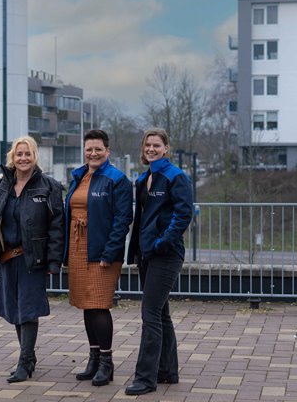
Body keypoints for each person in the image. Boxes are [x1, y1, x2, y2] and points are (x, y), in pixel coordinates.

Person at [0, 136, 65, 383]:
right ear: (12, 157)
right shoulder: (0, 186)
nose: (23, 158)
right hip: (7, 259)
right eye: (19, 154)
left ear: (34, 156)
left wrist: (54, 261)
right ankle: (29, 356)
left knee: (28, 310)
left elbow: (57, 227)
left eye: (28, 154)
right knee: (14, 310)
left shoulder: (49, 186)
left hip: (32, 260)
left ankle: (24, 362)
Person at [124, 128, 193, 396]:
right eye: (147, 145)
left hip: (166, 254)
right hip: (147, 254)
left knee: (149, 313)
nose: (151, 149)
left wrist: (162, 242)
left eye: (156, 145)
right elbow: (142, 218)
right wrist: (139, 251)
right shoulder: (144, 178)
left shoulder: (175, 177)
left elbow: (183, 214)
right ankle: (167, 371)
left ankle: (145, 378)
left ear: (166, 148)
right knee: (161, 314)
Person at [65, 129, 133, 387]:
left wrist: (110, 252)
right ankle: (93, 358)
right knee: (86, 304)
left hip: (101, 251)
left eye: (98, 149)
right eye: (89, 149)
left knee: (99, 304)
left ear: (107, 151)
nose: (93, 153)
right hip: (78, 248)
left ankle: (107, 362)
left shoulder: (117, 179)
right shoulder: (79, 175)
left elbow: (122, 219)